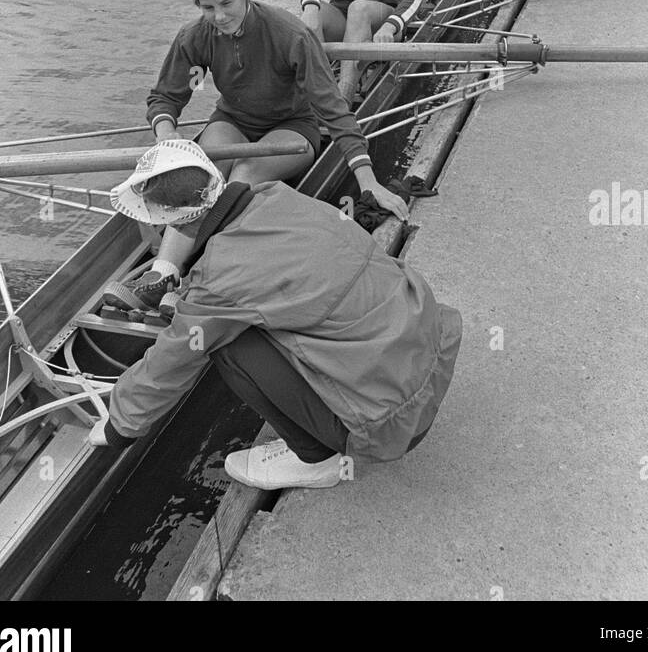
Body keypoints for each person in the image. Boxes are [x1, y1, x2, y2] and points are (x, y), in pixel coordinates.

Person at [89, 142, 462, 491]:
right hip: (429, 356)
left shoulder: (219, 277)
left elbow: (173, 359)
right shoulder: (278, 196)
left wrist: (120, 425)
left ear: (168, 222)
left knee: (227, 344)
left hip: (389, 422)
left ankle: (318, 459)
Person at [103, 0, 407, 317]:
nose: (219, 16)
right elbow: (165, 97)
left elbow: (334, 110)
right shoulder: (196, 36)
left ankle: (202, 280)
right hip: (233, 120)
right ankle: (163, 275)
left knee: (244, 172)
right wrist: (168, 139)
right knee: (201, 177)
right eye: (207, 8)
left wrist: (368, 181)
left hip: (293, 128)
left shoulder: (289, 33)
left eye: (227, 3)